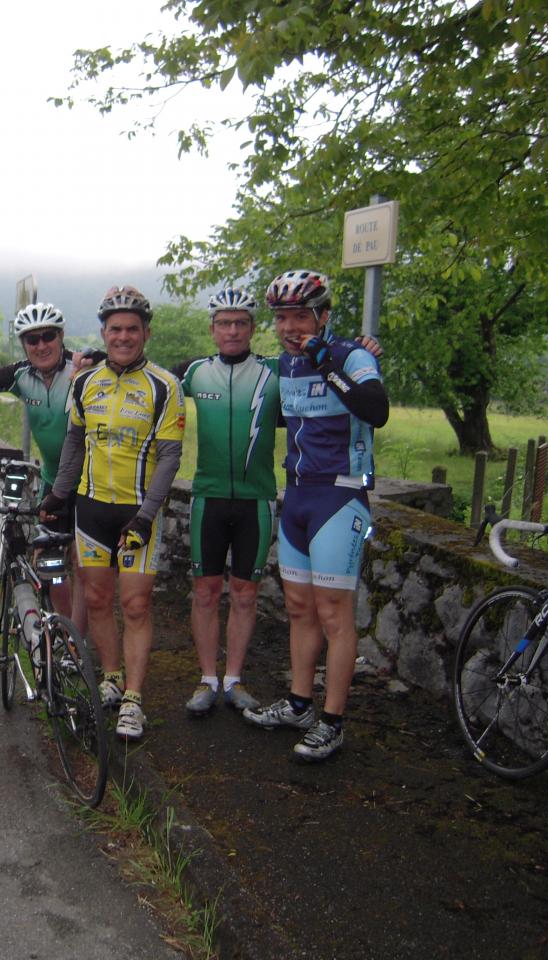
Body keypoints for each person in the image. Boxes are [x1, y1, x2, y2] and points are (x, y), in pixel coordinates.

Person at [241, 269, 388, 761]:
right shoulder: (285, 363)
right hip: (298, 496)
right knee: (299, 608)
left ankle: (333, 721)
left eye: (300, 316)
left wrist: (328, 360)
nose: (289, 326)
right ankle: (301, 704)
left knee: (333, 615)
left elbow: (375, 407)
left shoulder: (352, 355)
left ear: (323, 316)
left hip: (340, 496)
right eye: (281, 317)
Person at [41, 285, 185, 741]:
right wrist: (58, 495)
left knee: (136, 604)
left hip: (135, 513)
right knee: (98, 600)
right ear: (103, 333)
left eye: (132, 329)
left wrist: (146, 516)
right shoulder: (85, 383)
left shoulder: (164, 386)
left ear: (145, 332)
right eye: (115, 329)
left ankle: (134, 700)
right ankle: (110, 676)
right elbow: (73, 443)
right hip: (91, 508)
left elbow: (170, 457)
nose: (123, 337)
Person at [170, 287, 276, 718]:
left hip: (255, 500)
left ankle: (234, 679)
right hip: (208, 498)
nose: (232, 330)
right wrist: (89, 359)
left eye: (241, 323)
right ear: (212, 329)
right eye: (224, 323)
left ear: (252, 328)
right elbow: (141, 375)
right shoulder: (195, 372)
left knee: (246, 594)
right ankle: (207, 678)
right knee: (206, 591)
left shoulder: (275, 373)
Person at [0, 302, 101, 632]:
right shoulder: (20, 375)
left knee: (84, 568)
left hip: (91, 486)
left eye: (48, 336)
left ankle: (78, 642)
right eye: (32, 340)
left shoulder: (84, 368)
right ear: (23, 344)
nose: (41, 345)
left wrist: (98, 359)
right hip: (51, 484)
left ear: (61, 337)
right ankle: (64, 631)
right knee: (52, 563)